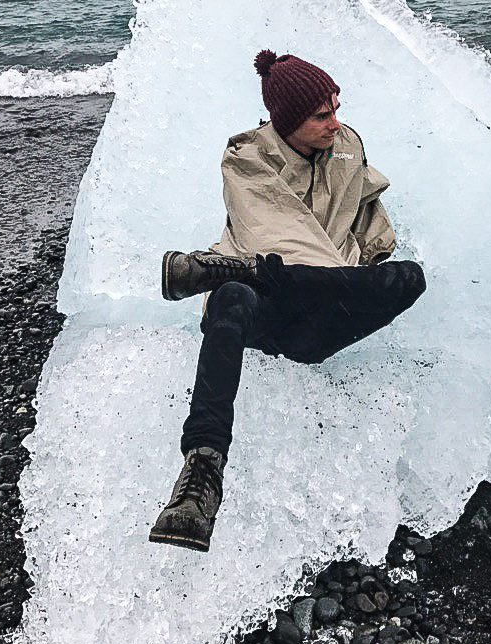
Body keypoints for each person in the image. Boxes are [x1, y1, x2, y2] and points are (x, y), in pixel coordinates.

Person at [148, 49, 426, 552]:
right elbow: (280, 237)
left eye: (336, 107)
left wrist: (366, 265)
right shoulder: (247, 158)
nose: (335, 123)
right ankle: (201, 473)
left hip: (324, 316)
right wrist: (337, 279)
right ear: (286, 121)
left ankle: (235, 268)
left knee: (409, 277)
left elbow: (368, 213)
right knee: (231, 298)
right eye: (321, 115)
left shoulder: (345, 146)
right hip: (267, 316)